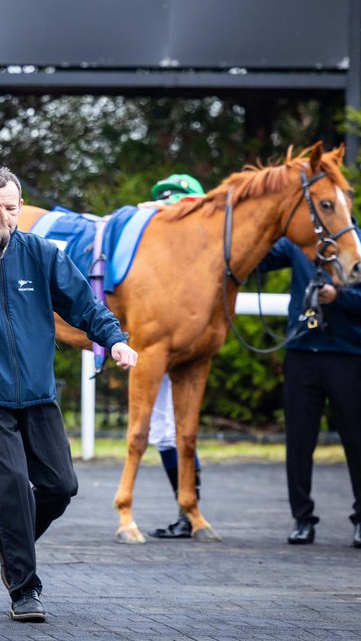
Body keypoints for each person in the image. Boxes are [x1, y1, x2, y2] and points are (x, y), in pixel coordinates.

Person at [0, 167, 138, 623]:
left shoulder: (41, 254)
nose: (5, 217)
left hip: (37, 395)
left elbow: (85, 306)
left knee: (61, 486)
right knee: (13, 487)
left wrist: (114, 339)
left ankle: (8, 538)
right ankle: (24, 589)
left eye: (12, 208)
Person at [257, 208, 361, 549]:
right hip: (302, 352)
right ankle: (302, 518)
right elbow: (260, 258)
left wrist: (339, 296)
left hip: (344, 355)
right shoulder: (301, 246)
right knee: (299, 442)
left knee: (357, 442)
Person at [140, 173, 208, 539]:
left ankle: (190, 508)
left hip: (184, 348)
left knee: (173, 429)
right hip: (161, 345)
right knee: (167, 431)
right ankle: (189, 509)